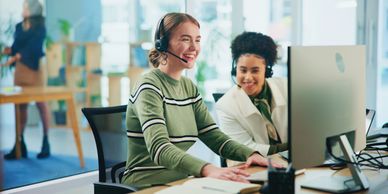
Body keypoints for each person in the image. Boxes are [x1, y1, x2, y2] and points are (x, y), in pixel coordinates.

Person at [122, 13, 280, 187]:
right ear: (163, 44)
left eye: (197, 40)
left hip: (181, 182)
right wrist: (208, 169)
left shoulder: (188, 87)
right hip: (145, 185)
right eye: (185, 39)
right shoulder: (149, 86)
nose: (194, 47)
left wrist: (251, 155)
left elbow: (213, 135)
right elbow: (160, 149)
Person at [216, 32, 288, 158]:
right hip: (254, 165)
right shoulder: (225, 106)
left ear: (267, 70)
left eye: (255, 71)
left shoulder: (287, 88)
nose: (248, 78)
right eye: (243, 70)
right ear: (235, 69)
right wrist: (289, 148)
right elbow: (245, 147)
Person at [1, 0, 50, 159]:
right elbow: (16, 47)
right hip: (21, 70)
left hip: (35, 70)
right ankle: (19, 143)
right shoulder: (18, 26)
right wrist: (8, 52)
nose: (23, 9)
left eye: (25, 7)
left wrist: (17, 56)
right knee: (20, 106)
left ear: (32, 10)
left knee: (41, 104)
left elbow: (34, 48)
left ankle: (45, 142)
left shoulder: (40, 27)